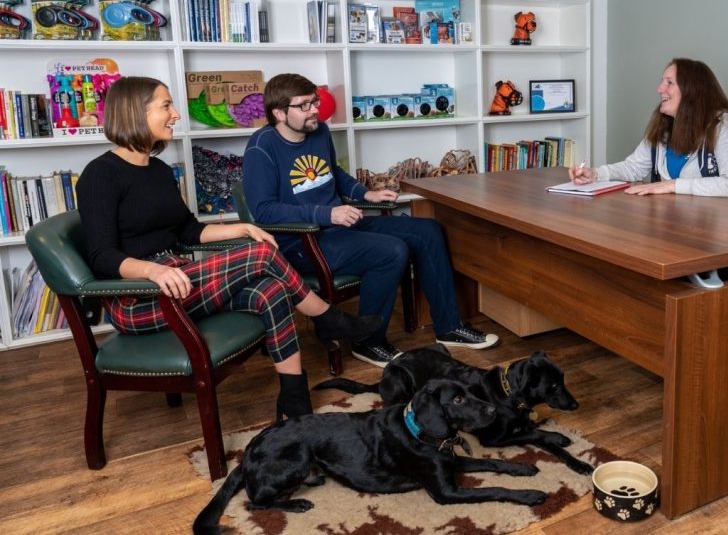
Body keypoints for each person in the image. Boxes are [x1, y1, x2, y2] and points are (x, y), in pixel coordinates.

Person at [76, 76, 382, 421]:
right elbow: (101, 256)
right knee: (264, 253)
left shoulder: (159, 170)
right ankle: (328, 318)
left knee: (270, 291)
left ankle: (295, 406)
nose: (176, 114)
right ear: (134, 113)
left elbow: (188, 231)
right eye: (166, 106)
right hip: (140, 297)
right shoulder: (100, 175)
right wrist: (153, 270)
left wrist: (242, 227)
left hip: (180, 282)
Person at [242, 73, 499, 369]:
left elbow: (333, 174)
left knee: (428, 230)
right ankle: (369, 342)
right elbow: (264, 211)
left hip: (339, 226)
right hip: (300, 242)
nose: (315, 109)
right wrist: (326, 213)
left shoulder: (320, 131)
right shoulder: (262, 147)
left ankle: (449, 326)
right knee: (391, 251)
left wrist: (366, 194)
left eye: (315, 101)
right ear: (279, 113)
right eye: (304, 105)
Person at [568, 58, 728, 197]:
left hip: (710, 230)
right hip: (670, 223)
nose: (660, 88)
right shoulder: (664, 125)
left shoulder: (721, 124)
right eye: (662, 81)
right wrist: (595, 174)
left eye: (669, 82)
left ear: (692, 90)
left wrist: (671, 186)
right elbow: (634, 167)